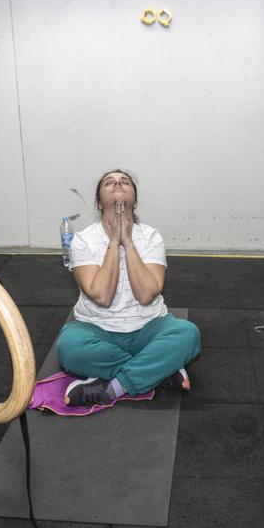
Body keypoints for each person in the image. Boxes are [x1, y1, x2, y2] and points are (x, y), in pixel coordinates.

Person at [57, 169, 201, 406]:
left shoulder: (151, 237)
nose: (117, 184)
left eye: (124, 182)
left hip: (148, 326)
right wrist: (114, 241)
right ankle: (159, 370)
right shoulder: (83, 240)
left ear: (135, 201)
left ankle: (113, 387)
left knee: (188, 334)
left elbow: (146, 294)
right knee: (69, 348)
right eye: (109, 182)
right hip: (96, 328)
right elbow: (102, 296)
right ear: (99, 202)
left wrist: (129, 241)